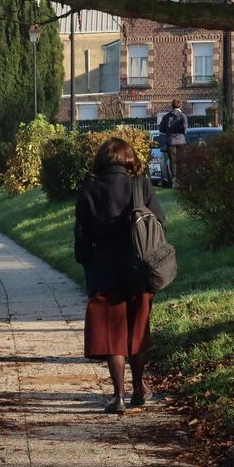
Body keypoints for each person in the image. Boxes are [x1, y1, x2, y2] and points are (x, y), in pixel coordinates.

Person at [75, 137, 167, 413]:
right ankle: (139, 388)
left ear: (101, 161)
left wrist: (86, 261)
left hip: (104, 272)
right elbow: (159, 223)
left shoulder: (90, 190)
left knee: (112, 336)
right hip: (140, 270)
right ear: (130, 160)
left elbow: (82, 236)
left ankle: (119, 396)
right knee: (137, 331)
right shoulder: (140, 185)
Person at [157, 99, 187, 186]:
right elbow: (185, 130)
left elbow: (161, 129)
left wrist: (168, 130)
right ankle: (181, 179)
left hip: (171, 141)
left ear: (172, 106)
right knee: (181, 161)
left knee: (172, 161)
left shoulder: (166, 116)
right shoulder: (183, 116)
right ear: (180, 106)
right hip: (181, 140)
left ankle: (174, 180)